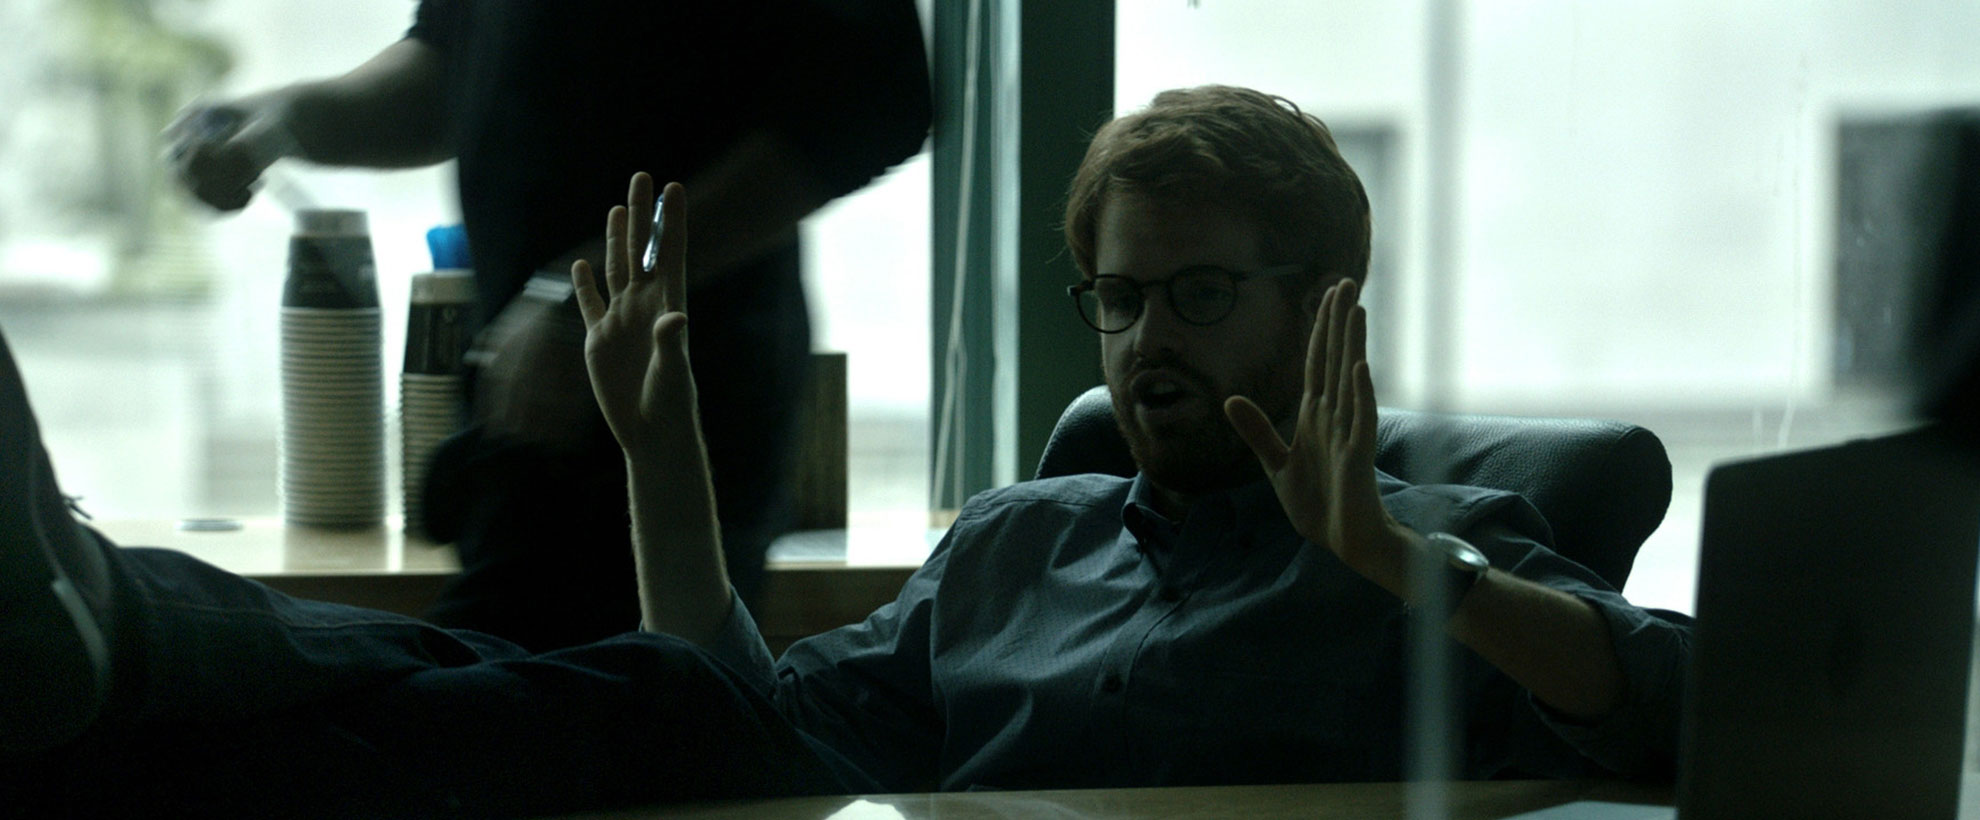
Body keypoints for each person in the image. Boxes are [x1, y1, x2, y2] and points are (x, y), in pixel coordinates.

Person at [7, 85, 1687, 817]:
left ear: (1324, 302)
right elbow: (740, 723)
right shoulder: (1022, 538)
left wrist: (1398, 564)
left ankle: (119, 640)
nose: (1145, 342)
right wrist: (659, 454)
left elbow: (1681, 700)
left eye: (1197, 294)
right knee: (606, 696)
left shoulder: (1434, 550)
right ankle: (109, 661)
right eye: (1115, 301)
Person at [164, 0, 933, 651]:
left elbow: (873, 103)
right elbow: (454, 67)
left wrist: (596, 291)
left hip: (672, 435)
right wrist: (284, 118)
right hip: (526, 440)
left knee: (605, 744)